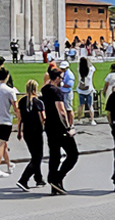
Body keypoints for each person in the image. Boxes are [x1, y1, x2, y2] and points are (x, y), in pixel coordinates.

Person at [43, 64, 79, 193]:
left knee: (55, 155)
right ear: (58, 77)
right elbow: (62, 111)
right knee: (73, 154)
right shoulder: (56, 91)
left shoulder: (45, 89)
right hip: (59, 127)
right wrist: (68, 127)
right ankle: (57, 178)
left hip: (49, 125)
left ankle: (54, 182)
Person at [16, 79, 47, 192]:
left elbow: (19, 118)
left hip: (26, 131)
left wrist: (19, 131)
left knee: (34, 154)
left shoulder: (22, 101)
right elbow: (43, 117)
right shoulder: (38, 102)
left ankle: (38, 178)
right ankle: (23, 179)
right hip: (36, 131)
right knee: (37, 157)